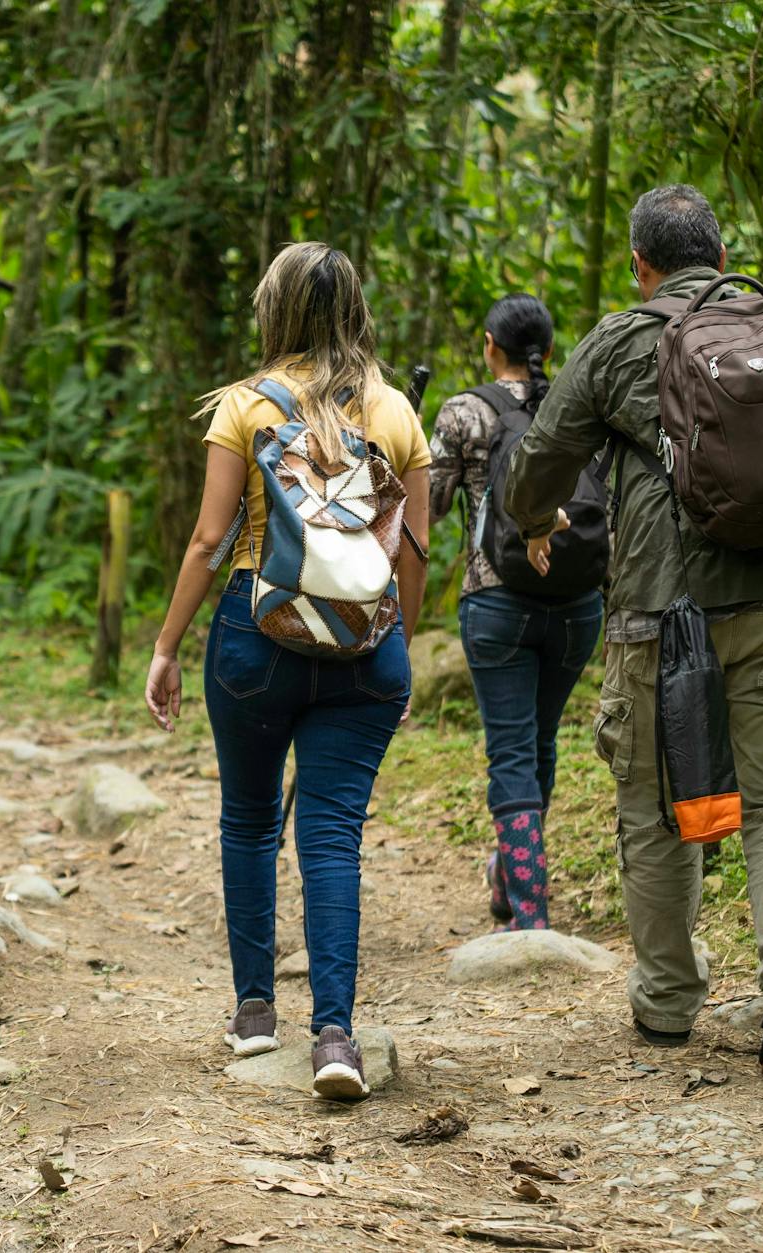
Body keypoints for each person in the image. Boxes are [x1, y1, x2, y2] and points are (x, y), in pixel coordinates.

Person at [503, 185, 763, 1074]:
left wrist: (530, 519)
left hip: (659, 611)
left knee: (654, 807)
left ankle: (668, 1001)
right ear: (722, 256)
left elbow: (542, 458)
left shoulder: (620, 339)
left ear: (640, 266)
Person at [143, 241, 431, 1101]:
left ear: (278, 311)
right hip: (364, 648)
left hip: (254, 639)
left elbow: (209, 539)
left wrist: (165, 645)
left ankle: (255, 1011)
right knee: (333, 832)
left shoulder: (245, 406)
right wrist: (397, 647)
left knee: (248, 819)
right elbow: (412, 549)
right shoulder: (396, 412)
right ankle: (336, 1035)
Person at [430, 294, 602, 932]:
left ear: (489, 344)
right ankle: (511, 878)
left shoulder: (463, 412)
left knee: (511, 751)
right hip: (578, 602)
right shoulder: (578, 408)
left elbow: (434, 503)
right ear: (549, 351)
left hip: (496, 600)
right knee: (541, 741)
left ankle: (529, 912)